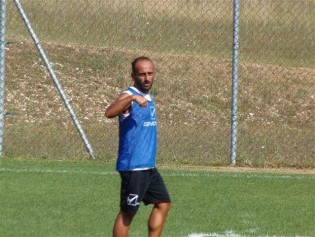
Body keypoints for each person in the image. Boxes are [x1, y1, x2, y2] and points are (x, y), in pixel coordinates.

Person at [105, 56, 171, 237]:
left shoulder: (148, 95)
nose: (147, 78)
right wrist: (133, 97)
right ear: (133, 75)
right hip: (133, 166)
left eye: (150, 73)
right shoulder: (128, 95)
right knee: (128, 212)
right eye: (142, 74)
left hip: (148, 166)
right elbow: (109, 112)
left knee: (163, 203)